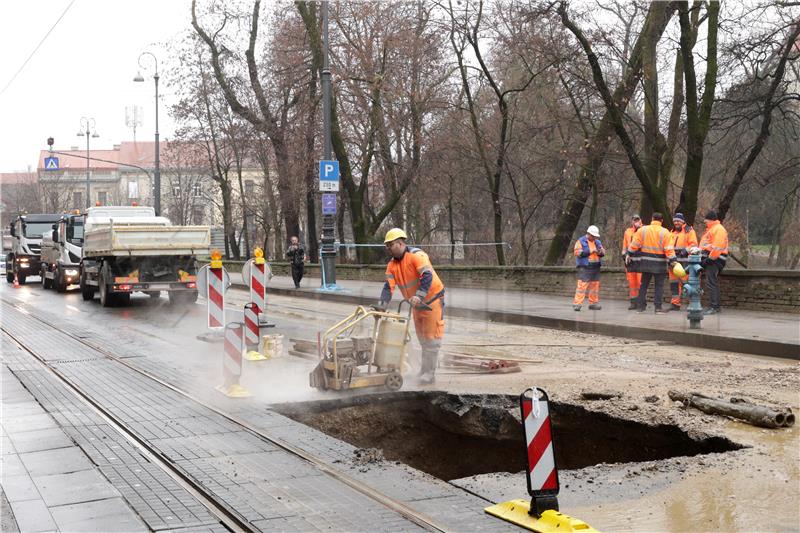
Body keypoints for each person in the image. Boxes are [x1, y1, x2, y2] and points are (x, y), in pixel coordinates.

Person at [379, 228, 445, 385]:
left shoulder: (417, 256)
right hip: (416, 304)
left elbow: (427, 276)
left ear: (400, 243)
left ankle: (429, 374)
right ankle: (423, 371)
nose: (388, 248)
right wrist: (382, 305)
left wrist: (419, 295)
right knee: (422, 339)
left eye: (391, 245)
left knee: (432, 339)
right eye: (387, 246)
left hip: (432, 300)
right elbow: (388, 286)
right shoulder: (392, 265)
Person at [627, 212, 676, 314]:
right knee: (659, 286)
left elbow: (635, 244)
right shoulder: (665, 232)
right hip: (660, 263)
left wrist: (629, 254)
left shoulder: (643, 230)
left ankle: (640, 307)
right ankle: (658, 308)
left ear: (652, 219)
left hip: (646, 262)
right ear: (661, 221)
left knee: (644, 284)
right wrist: (673, 261)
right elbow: (669, 249)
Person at [699, 210, 729, 315]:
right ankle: (714, 306)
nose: (705, 223)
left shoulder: (718, 229)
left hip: (715, 260)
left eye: (706, 221)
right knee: (711, 282)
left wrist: (709, 260)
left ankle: (714, 307)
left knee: (712, 283)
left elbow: (717, 247)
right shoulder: (713, 229)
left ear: (710, 220)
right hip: (713, 259)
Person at [668, 213, 698, 310]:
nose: (676, 223)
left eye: (678, 221)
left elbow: (694, 244)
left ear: (683, 221)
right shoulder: (671, 232)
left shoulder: (689, 231)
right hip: (674, 262)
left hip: (685, 261)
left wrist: (686, 250)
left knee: (686, 283)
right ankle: (675, 303)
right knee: (674, 283)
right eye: (675, 221)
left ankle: (693, 303)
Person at [573, 225, 604, 311]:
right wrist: (590, 251)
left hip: (595, 266)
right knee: (582, 286)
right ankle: (577, 304)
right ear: (589, 234)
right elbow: (577, 253)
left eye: (595, 236)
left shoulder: (597, 242)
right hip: (585, 267)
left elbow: (602, 253)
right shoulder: (580, 241)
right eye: (593, 236)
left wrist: (601, 252)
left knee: (594, 286)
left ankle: (593, 303)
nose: (594, 238)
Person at [621, 214, 643, 310]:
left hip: (640, 261)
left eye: (637, 220)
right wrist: (624, 255)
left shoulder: (644, 230)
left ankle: (641, 302)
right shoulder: (627, 232)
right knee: (632, 283)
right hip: (629, 261)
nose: (636, 222)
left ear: (640, 221)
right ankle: (633, 302)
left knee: (640, 282)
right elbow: (624, 246)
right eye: (634, 220)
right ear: (632, 221)